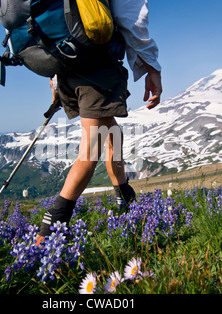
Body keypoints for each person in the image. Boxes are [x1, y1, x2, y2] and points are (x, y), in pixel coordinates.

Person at [36, 0, 162, 244]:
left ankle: (124, 197)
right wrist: (152, 66)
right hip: (95, 68)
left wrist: (53, 79)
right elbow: (131, 16)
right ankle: (50, 229)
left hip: (65, 66)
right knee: (92, 148)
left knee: (112, 131)